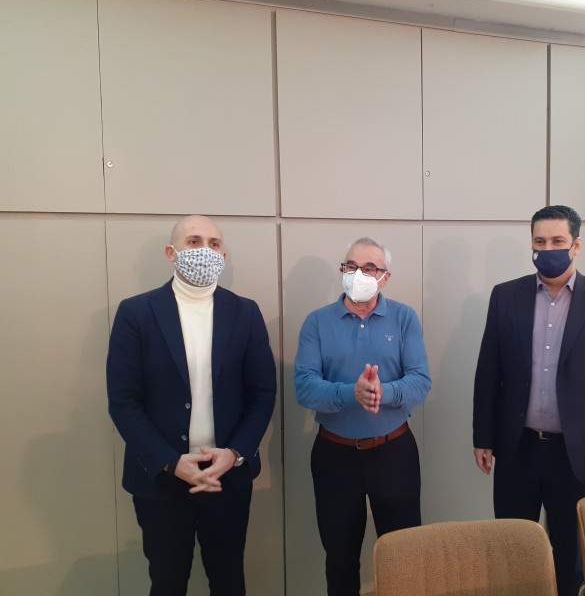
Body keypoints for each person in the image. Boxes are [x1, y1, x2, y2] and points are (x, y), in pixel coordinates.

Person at [472, 205, 585, 596]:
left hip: (575, 455)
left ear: (576, 245)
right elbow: (488, 373)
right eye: (540, 241)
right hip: (518, 448)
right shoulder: (505, 296)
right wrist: (483, 437)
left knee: (571, 555)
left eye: (557, 241)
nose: (548, 249)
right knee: (513, 547)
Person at [107, 215, 277, 596]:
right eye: (194, 241)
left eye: (214, 244)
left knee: (229, 578)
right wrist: (170, 461)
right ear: (172, 252)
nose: (205, 250)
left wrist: (235, 454)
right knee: (167, 581)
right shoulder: (136, 313)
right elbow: (123, 401)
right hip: (162, 478)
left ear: (223, 256)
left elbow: (263, 392)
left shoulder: (245, 312)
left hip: (226, 476)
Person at [295, 237, 431, 596]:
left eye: (369, 268)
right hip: (334, 456)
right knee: (340, 560)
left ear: (385, 277)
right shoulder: (317, 322)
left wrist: (384, 392)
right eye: (351, 266)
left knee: (403, 555)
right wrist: (351, 393)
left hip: (394, 452)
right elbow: (305, 388)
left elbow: (420, 381)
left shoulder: (403, 318)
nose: (358, 274)